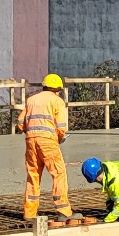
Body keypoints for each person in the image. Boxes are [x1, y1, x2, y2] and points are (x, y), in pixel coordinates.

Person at [20, 73, 72, 222]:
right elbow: (61, 127)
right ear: (58, 89)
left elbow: (20, 123)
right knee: (58, 173)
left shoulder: (31, 100)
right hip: (48, 142)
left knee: (33, 176)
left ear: (44, 86)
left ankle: (29, 213)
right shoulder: (57, 101)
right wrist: (60, 138)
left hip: (30, 141)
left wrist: (32, 132)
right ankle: (63, 211)